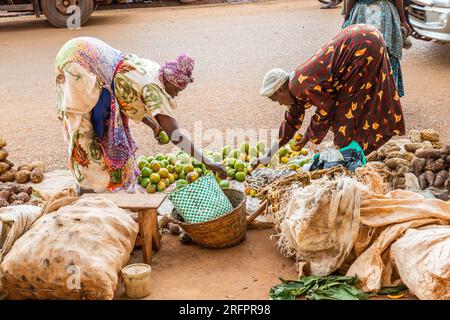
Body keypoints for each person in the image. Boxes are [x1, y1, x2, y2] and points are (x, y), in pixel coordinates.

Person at [55, 37, 226, 193]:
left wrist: (154, 126)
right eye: (178, 89)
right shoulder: (153, 89)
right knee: (82, 131)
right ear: (170, 82)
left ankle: (96, 180)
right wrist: (207, 161)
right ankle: (86, 186)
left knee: (96, 129)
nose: (177, 94)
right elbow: (175, 135)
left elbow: (131, 98)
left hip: (86, 51)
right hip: (78, 61)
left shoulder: (155, 70)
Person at [253, 24, 405, 168]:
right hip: (365, 37)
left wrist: (308, 136)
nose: (279, 104)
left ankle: (350, 161)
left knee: (345, 117)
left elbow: (327, 107)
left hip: (362, 46)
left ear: (281, 90)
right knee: (347, 113)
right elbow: (291, 122)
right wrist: (267, 156)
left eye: (276, 99)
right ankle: (353, 155)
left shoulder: (299, 85)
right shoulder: (295, 87)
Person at [343, 0, 412, 97]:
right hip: (385, 14)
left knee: (361, 55)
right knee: (387, 55)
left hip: (361, 14)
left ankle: (362, 98)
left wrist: (347, 18)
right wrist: (403, 20)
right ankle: (388, 97)